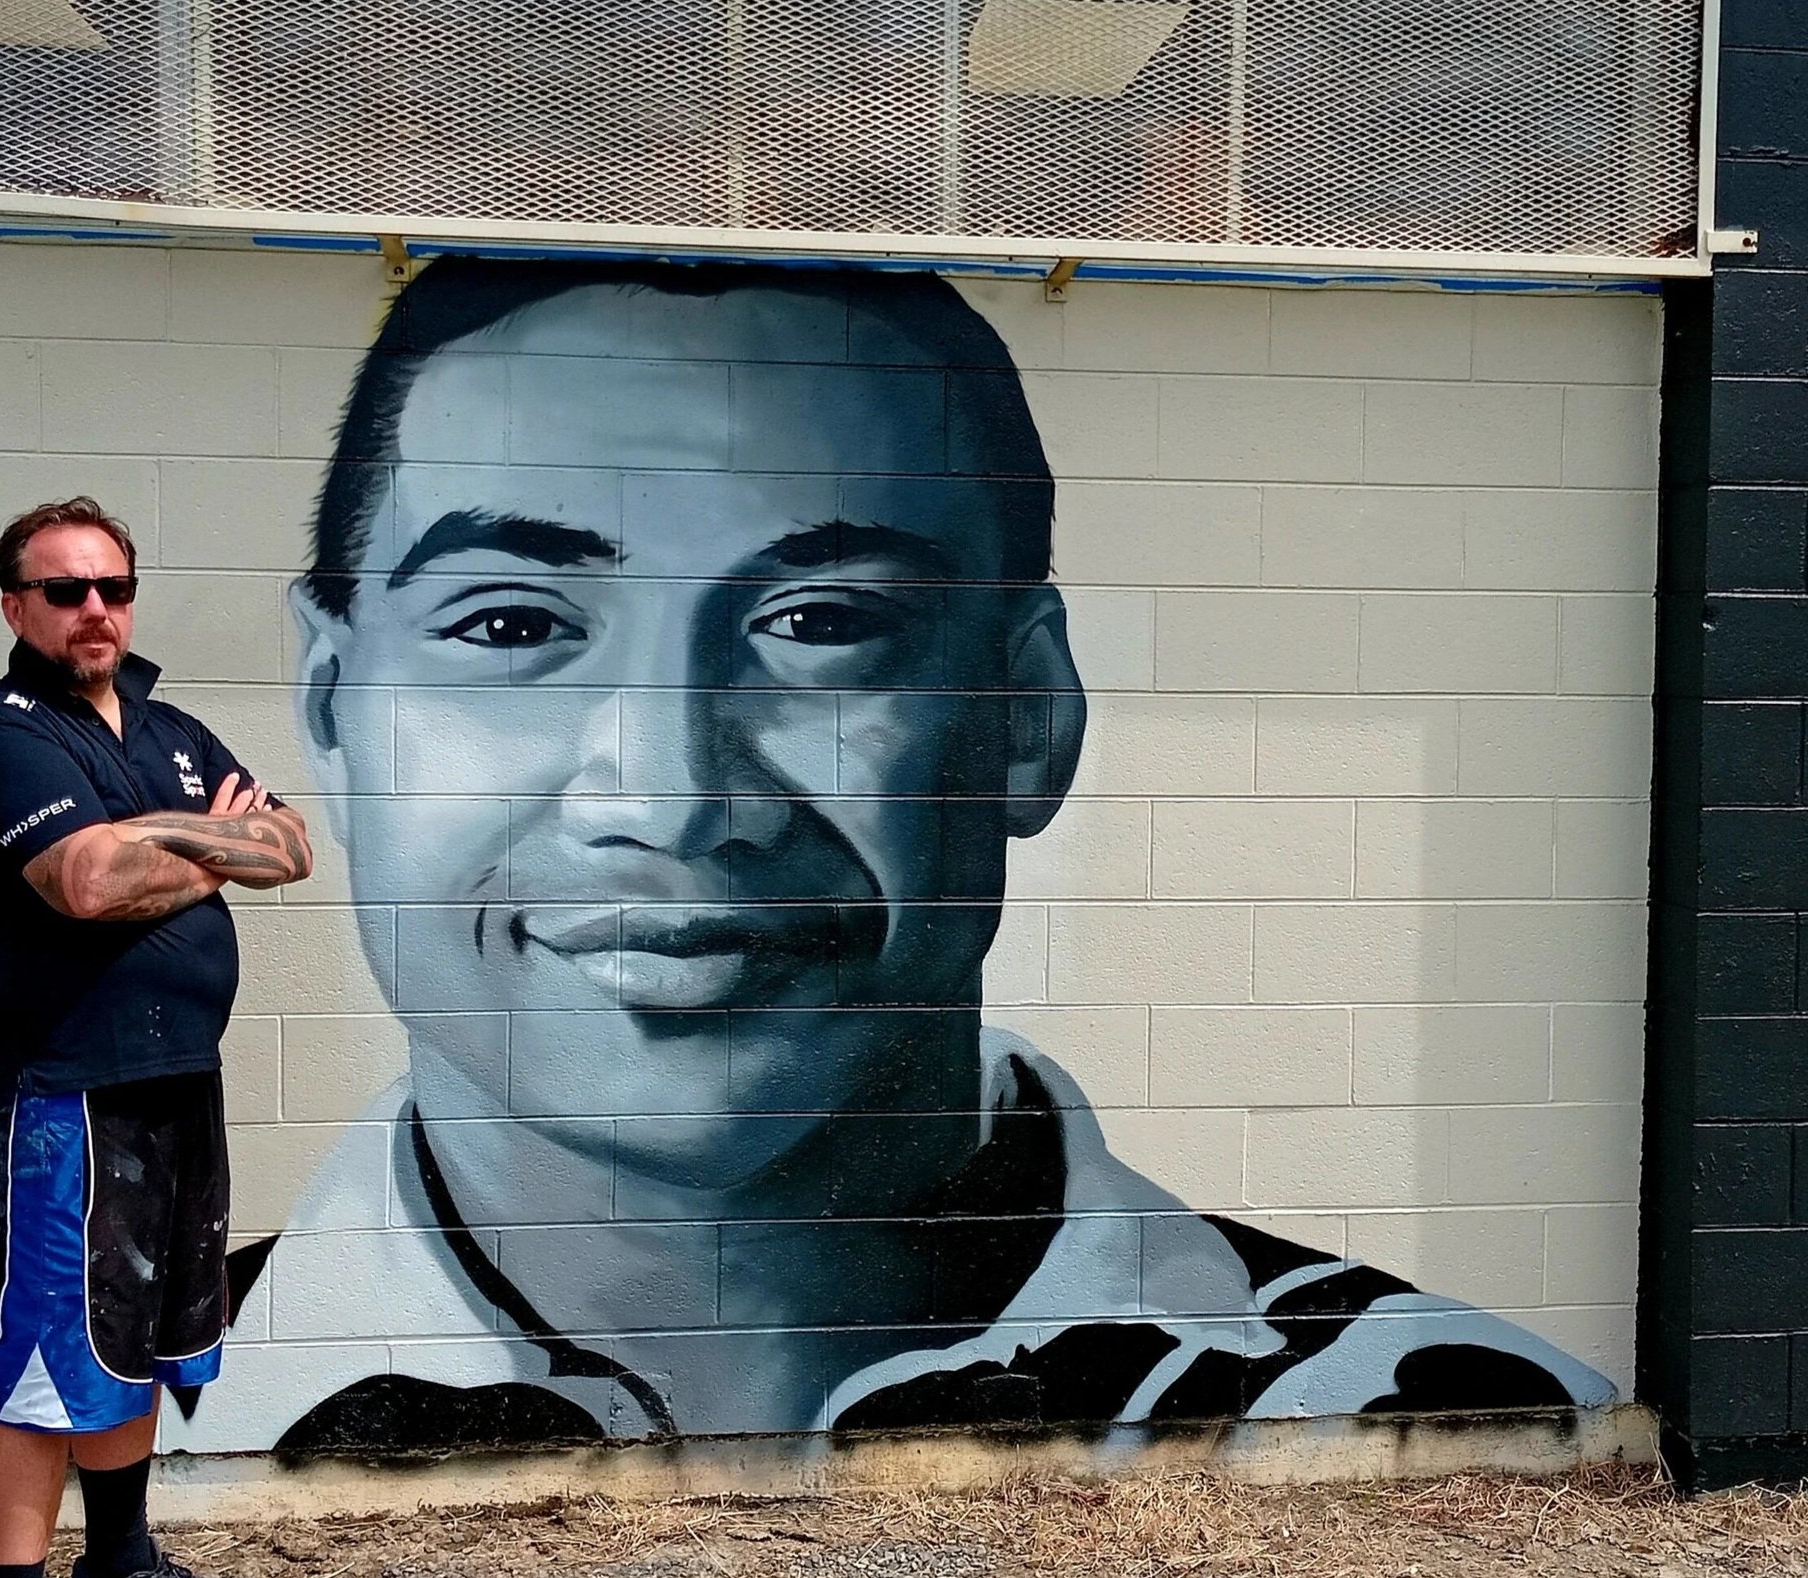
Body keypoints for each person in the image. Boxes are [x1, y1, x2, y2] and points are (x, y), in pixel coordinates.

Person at [163, 257, 1615, 1452]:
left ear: (1028, 715)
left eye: (818, 624)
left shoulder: (1460, 1417)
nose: (666, 797)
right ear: (330, 709)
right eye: (508, 624)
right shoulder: (57, 1435)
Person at [0, 498, 314, 1578]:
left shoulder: (172, 726)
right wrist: (207, 845)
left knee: (139, 1340)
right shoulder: (4, 736)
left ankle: (117, 1572)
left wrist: (166, 845)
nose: (93, 610)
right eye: (63, 591)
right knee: (47, 1356)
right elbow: (87, 885)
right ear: (16, 606)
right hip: (77, 1094)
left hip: (178, 1082)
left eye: (111, 587)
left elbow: (291, 847)